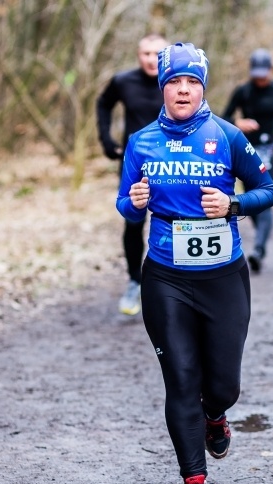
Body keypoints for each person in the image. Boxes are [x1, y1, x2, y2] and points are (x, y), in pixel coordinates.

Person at [116, 42, 273, 484]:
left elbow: (267, 190)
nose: (183, 90)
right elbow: (125, 204)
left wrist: (233, 205)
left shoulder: (226, 136)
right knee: (181, 378)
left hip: (222, 276)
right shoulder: (142, 141)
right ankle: (194, 482)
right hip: (165, 276)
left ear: (202, 87)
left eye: (191, 82)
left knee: (223, 384)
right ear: (163, 88)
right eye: (174, 82)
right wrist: (137, 202)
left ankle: (216, 414)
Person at [96, 33, 168, 315]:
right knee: (133, 223)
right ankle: (134, 282)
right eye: (146, 53)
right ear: (138, 55)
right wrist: (107, 141)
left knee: (176, 221)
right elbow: (103, 104)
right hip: (135, 165)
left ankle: (171, 287)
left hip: (174, 165)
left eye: (157, 53)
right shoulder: (123, 81)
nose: (151, 59)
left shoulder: (176, 82)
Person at [221, 48, 273, 273]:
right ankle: (259, 246)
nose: (260, 78)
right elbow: (224, 118)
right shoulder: (243, 91)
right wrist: (238, 123)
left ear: (272, 70)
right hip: (247, 152)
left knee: (266, 196)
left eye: (264, 73)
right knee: (252, 201)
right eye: (257, 74)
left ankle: (258, 250)